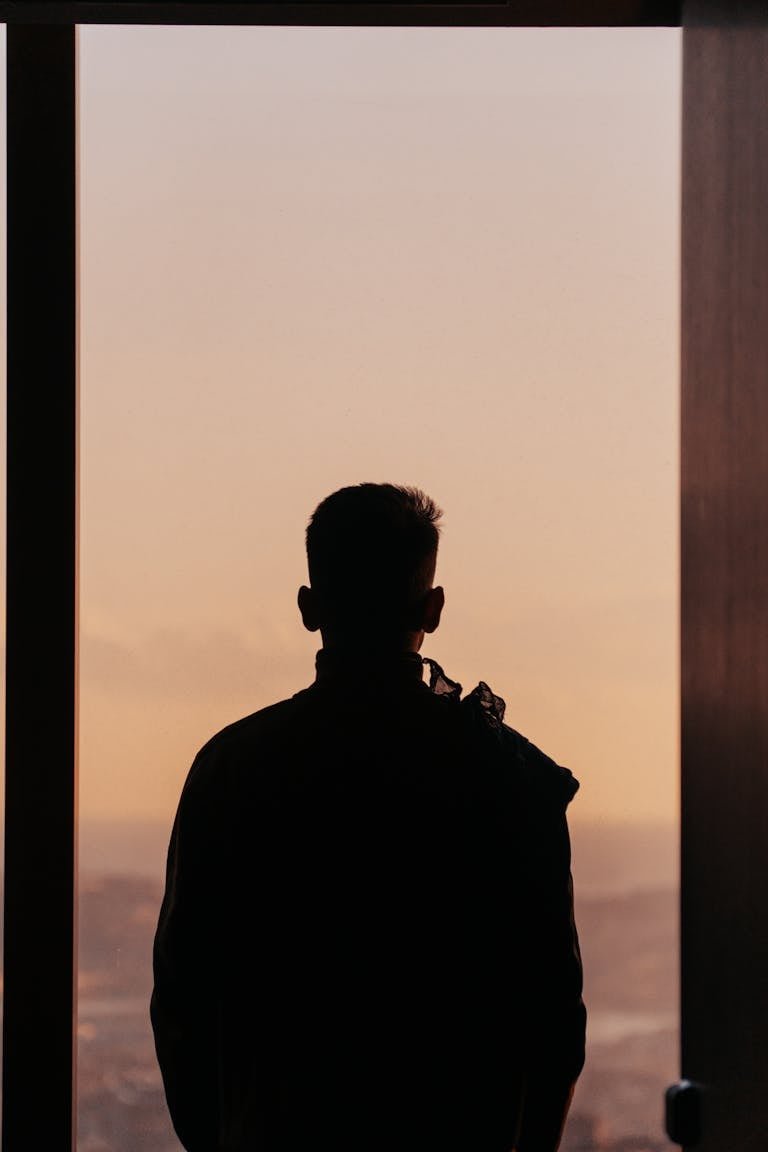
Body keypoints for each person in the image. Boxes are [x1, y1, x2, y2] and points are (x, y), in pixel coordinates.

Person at [151, 482, 586, 1152]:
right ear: (433, 609)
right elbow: (554, 1021)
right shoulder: (511, 777)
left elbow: (183, 1001)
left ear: (308, 607)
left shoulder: (230, 771)